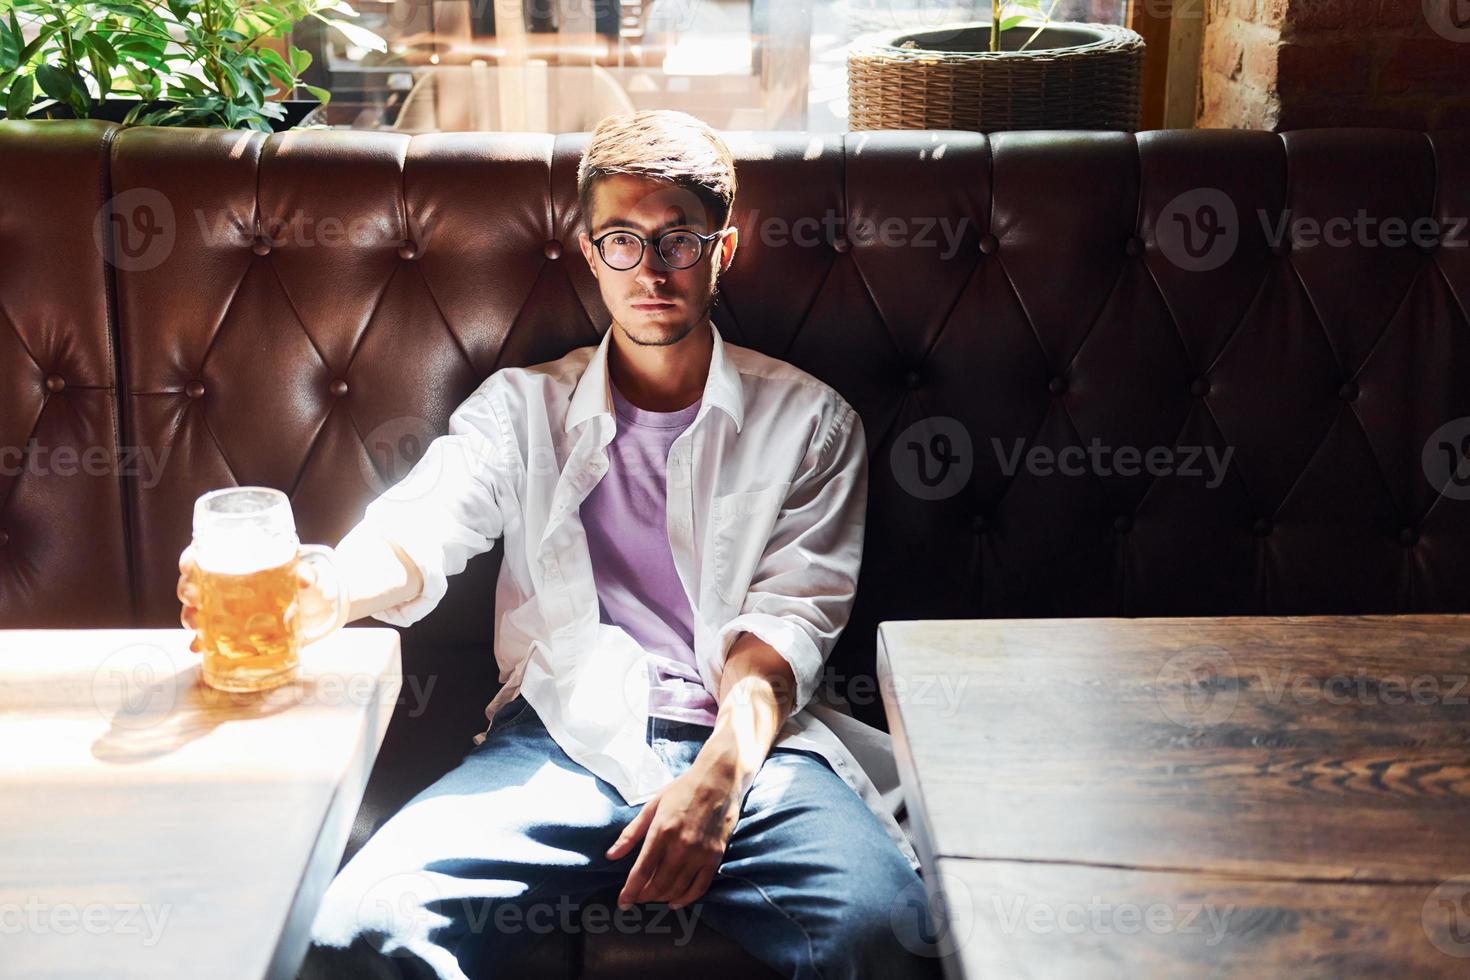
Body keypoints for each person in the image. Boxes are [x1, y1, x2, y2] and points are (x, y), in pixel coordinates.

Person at [179, 109, 940, 980]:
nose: (650, 271)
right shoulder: (521, 409)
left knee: (885, 933)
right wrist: (319, 590)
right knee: (363, 929)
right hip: (558, 738)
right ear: (589, 254)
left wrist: (721, 780)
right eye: (622, 240)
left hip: (749, 751)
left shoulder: (811, 424)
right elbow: (422, 525)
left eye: (679, 241)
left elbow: (784, 640)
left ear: (722, 252)